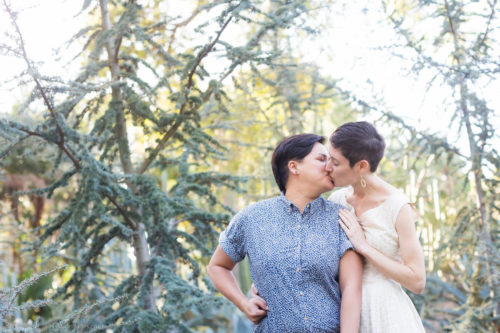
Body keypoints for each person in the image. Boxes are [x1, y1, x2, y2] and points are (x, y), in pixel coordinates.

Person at [207, 134, 363, 332]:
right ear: (294, 167)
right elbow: (217, 266)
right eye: (321, 159)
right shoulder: (252, 218)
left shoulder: (340, 218)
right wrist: (244, 304)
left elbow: (351, 289)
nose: (330, 166)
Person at [328, 121, 426, 332]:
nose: (328, 167)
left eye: (335, 163)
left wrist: (364, 247)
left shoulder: (397, 206)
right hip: (343, 311)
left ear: (362, 166)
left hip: (387, 315)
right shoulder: (336, 200)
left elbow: (417, 281)